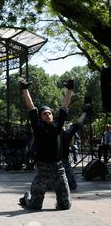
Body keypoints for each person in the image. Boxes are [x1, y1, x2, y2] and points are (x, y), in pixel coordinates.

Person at [18, 78, 73, 210]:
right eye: (44, 113)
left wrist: (69, 90)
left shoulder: (57, 125)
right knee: (35, 206)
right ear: (40, 117)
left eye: (49, 113)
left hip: (58, 169)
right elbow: (31, 107)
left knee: (65, 205)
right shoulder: (37, 126)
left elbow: (64, 106)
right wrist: (25, 89)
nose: (47, 115)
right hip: (42, 169)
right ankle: (26, 197)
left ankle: (61, 200)